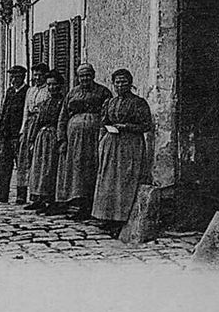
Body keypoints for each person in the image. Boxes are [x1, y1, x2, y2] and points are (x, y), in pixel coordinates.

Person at [92, 69, 152, 236]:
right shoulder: (110, 102)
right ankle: (107, 217)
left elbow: (146, 125)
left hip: (130, 145)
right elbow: (103, 122)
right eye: (117, 82)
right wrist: (102, 140)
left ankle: (122, 218)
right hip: (112, 144)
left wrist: (126, 127)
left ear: (130, 83)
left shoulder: (138, 103)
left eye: (124, 82)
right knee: (109, 179)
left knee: (125, 179)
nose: (120, 85)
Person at [55, 63, 113, 220]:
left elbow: (108, 114)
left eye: (87, 75)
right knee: (76, 169)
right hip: (74, 138)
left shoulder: (103, 92)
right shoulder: (72, 93)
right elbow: (63, 116)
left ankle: (91, 205)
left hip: (94, 137)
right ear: (77, 77)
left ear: (93, 75)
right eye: (81, 76)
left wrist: (103, 134)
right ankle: (76, 203)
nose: (85, 78)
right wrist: (62, 139)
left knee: (92, 167)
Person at [0, 66, 29, 203]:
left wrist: (21, 134)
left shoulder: (27, 92)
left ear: (23, 77)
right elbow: (4, 112)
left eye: (17, 77)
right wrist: (0, 132)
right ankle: (1, 194)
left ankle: (21, 195)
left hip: (18, 135)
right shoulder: (10, 92)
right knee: (3, 166)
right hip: (6, 135)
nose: (14, 80)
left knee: (21, 166)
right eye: (12, 77)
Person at [26, 71, 66, 213]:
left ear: (60, 85)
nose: (51, 87)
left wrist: (61, 139)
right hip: (41, 137)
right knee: (39, 168)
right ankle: (39, 198)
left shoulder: (63, 102)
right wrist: (32, 140)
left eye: (54, 84)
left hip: (53, 136)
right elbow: (37, 122)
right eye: (49, 85)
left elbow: (63, 121)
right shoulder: (44, 103)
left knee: (51, 168)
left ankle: (52, 201)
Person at [15, 63, 50, 205]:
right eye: (35, 75)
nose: (37, 78)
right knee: (23, 160)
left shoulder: (48, 90)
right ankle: (21, 194)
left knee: (38, 160)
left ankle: (37, 194)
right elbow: (26, 110)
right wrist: (22, 131)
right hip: (29, 125)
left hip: (40, 125)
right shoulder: (30, 90)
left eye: (40, 75)